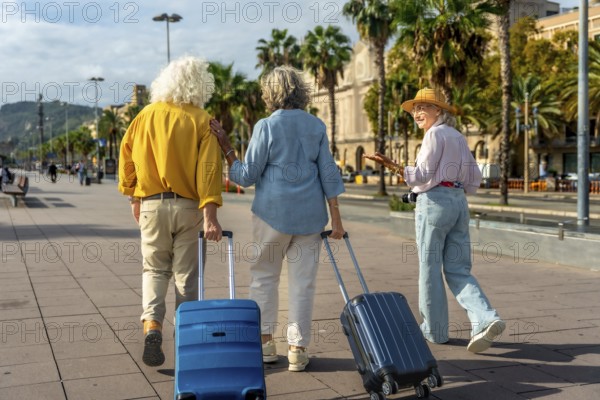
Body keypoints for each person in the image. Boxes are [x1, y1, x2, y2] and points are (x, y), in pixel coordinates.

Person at [210, 66, 346, 372]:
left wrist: (228, 150)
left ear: (271, 93)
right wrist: (336, 219)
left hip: (272, 215)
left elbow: (247, 176)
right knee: (303, 283)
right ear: (300, 91)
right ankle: (297, 349)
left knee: (264, 277)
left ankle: (266, 344)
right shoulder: (316, 126)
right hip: (311, 218)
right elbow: (329, 173)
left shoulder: (266, 126)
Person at [364, 88, 505, 353]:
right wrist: (456, 189)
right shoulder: (457, 136)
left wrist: (390, 164)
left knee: (429, 269)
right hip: (458, 202)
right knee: (459, 268)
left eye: (423, 107)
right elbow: (474, 177)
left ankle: (435, 331)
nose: (417, 112)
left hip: (434, 204)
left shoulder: (433, 135)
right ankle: (485, 318)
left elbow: (421, 175)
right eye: (415, 108)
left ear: (438, 111)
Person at [118, 56, 224, 367]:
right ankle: (186, 339)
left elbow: (126, 156)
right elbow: (209, 171)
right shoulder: (202, 120)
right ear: (200, 84)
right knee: (186, 276)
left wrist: (133, 197)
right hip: (189, 207)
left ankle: (152, 324)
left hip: (151, 203)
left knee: (153, 269)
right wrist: (211, 216)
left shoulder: (144, 116)